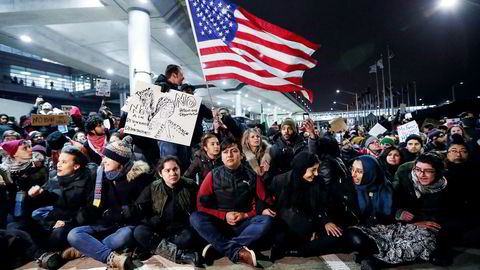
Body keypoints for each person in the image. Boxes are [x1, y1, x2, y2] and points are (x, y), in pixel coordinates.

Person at [67, 136, 152, 269]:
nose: (104, 160)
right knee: (73, 234)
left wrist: (118, 213)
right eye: (104, 156)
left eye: (109, 157)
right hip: (104, 224)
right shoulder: (100, 175)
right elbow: (93, 204)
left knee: (124, 236)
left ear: (120, 161)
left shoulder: (140, 178)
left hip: (125, 225)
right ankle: (107, 255)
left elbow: (141, 208)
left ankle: (88, 248)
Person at [190, 138, 273, 267]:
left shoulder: (252, 176)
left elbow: (265, 200)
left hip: (244, 225)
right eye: (225, 152)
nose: (229, 155)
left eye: (234, 151)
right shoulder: (212, 175)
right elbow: (201, 206)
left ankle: (220, 247)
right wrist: (224, 216)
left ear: (241, 155)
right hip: (220, 225)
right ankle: (235, 251)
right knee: (195, 217)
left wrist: (245, 215)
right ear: (221, 157)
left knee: (266, 220)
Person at [357, 153, 447, 268]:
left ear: (438, 172)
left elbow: (447, 214)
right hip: (401, 222)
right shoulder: (404, 175)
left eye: (428, 171)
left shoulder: (447, 186)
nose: (421, 175)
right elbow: (390, 202)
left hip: (428, 226)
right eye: (418, 169)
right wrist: (399, 213)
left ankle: (376, 261)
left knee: (423, 240)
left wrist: (420, 224)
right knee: (361, 235)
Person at [268, 151, 344, 261]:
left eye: (317, 170)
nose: (317, 173)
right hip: (289, 226)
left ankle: (293, 251)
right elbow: (272, 205)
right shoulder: (280, 181)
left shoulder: (318, 181)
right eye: (313, 170)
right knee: (279, 237)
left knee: (337, 236)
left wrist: (326, 221)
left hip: (313, 223)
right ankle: (304, 246)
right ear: (301, 169)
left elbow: (323, 205)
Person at [25, 146, 93, 268]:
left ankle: (62, 253)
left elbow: (87, 211)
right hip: (56, 219)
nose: (58, 165)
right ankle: (47, 254)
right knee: (24, 226)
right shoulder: (54, 177)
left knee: (58, 235)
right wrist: (38, 195)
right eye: (59, 161)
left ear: (76, 166)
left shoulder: (88, 181)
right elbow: (50, 201)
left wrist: (65, 221)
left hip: (75, 222)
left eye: (64, 162)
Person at [131, 156, 201, 265]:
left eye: (175, 169)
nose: (172, 173)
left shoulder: (190, 185)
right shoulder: (153, 187)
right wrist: (150, 221)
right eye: (167, 170)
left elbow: (199, 208)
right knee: (139, 232)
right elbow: (140, 208)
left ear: (180, 170)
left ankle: (155, 249)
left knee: (190, 236)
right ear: (160, 173)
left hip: (181, 230)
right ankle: (180, 255)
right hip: (159, 229)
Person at [329, 155, 394, 268]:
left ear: (371, 172)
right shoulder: (344, 185)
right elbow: (330, 208)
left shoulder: (386, 188)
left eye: (359, 171)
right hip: (355, 229)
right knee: (357, 240)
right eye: (352, 169)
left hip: (384, 230)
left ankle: (372, 258)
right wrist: (327, 221)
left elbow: (394, 214)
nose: (353, 174)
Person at [434, 134, 480, 265]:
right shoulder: (439, 172)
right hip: (447, 216)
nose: (458, 154)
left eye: (463, 151)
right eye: (454, 151)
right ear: (447, 154)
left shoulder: (476, 172)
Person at [1, 140, 48, 227]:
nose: (30, 150)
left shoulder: (36, 164)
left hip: (35, 203)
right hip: (13, 204)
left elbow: (44, 181)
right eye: (24, 148)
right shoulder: (5, 168)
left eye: (29, 147)